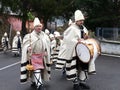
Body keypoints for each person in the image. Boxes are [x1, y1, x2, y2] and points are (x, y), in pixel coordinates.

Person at [56, 10, 93, 89]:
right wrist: (77, 41)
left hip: (82, 52)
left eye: (82, 20)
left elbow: (84, 37)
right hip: (74, 52)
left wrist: (85, 38)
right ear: (76, 20)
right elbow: (68, 40)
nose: (82, 22)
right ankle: (75, 83)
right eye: (80, 20)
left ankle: (82, 82)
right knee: (75, 68)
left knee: (83, 67)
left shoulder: (83, 28)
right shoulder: (72, 28)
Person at [20, 17, 51, 90]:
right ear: (34, 27)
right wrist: (28, 48)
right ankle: (39, 85)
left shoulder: (44, 36)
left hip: (42, 56)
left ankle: (34, 81)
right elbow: (24, 45)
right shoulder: (29, 36)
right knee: (37, 70)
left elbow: (47, 44)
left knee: (39, 70)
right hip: (33, 56)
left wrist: (46, 51)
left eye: (40, 26)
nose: (39, 27)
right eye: (37, 26)